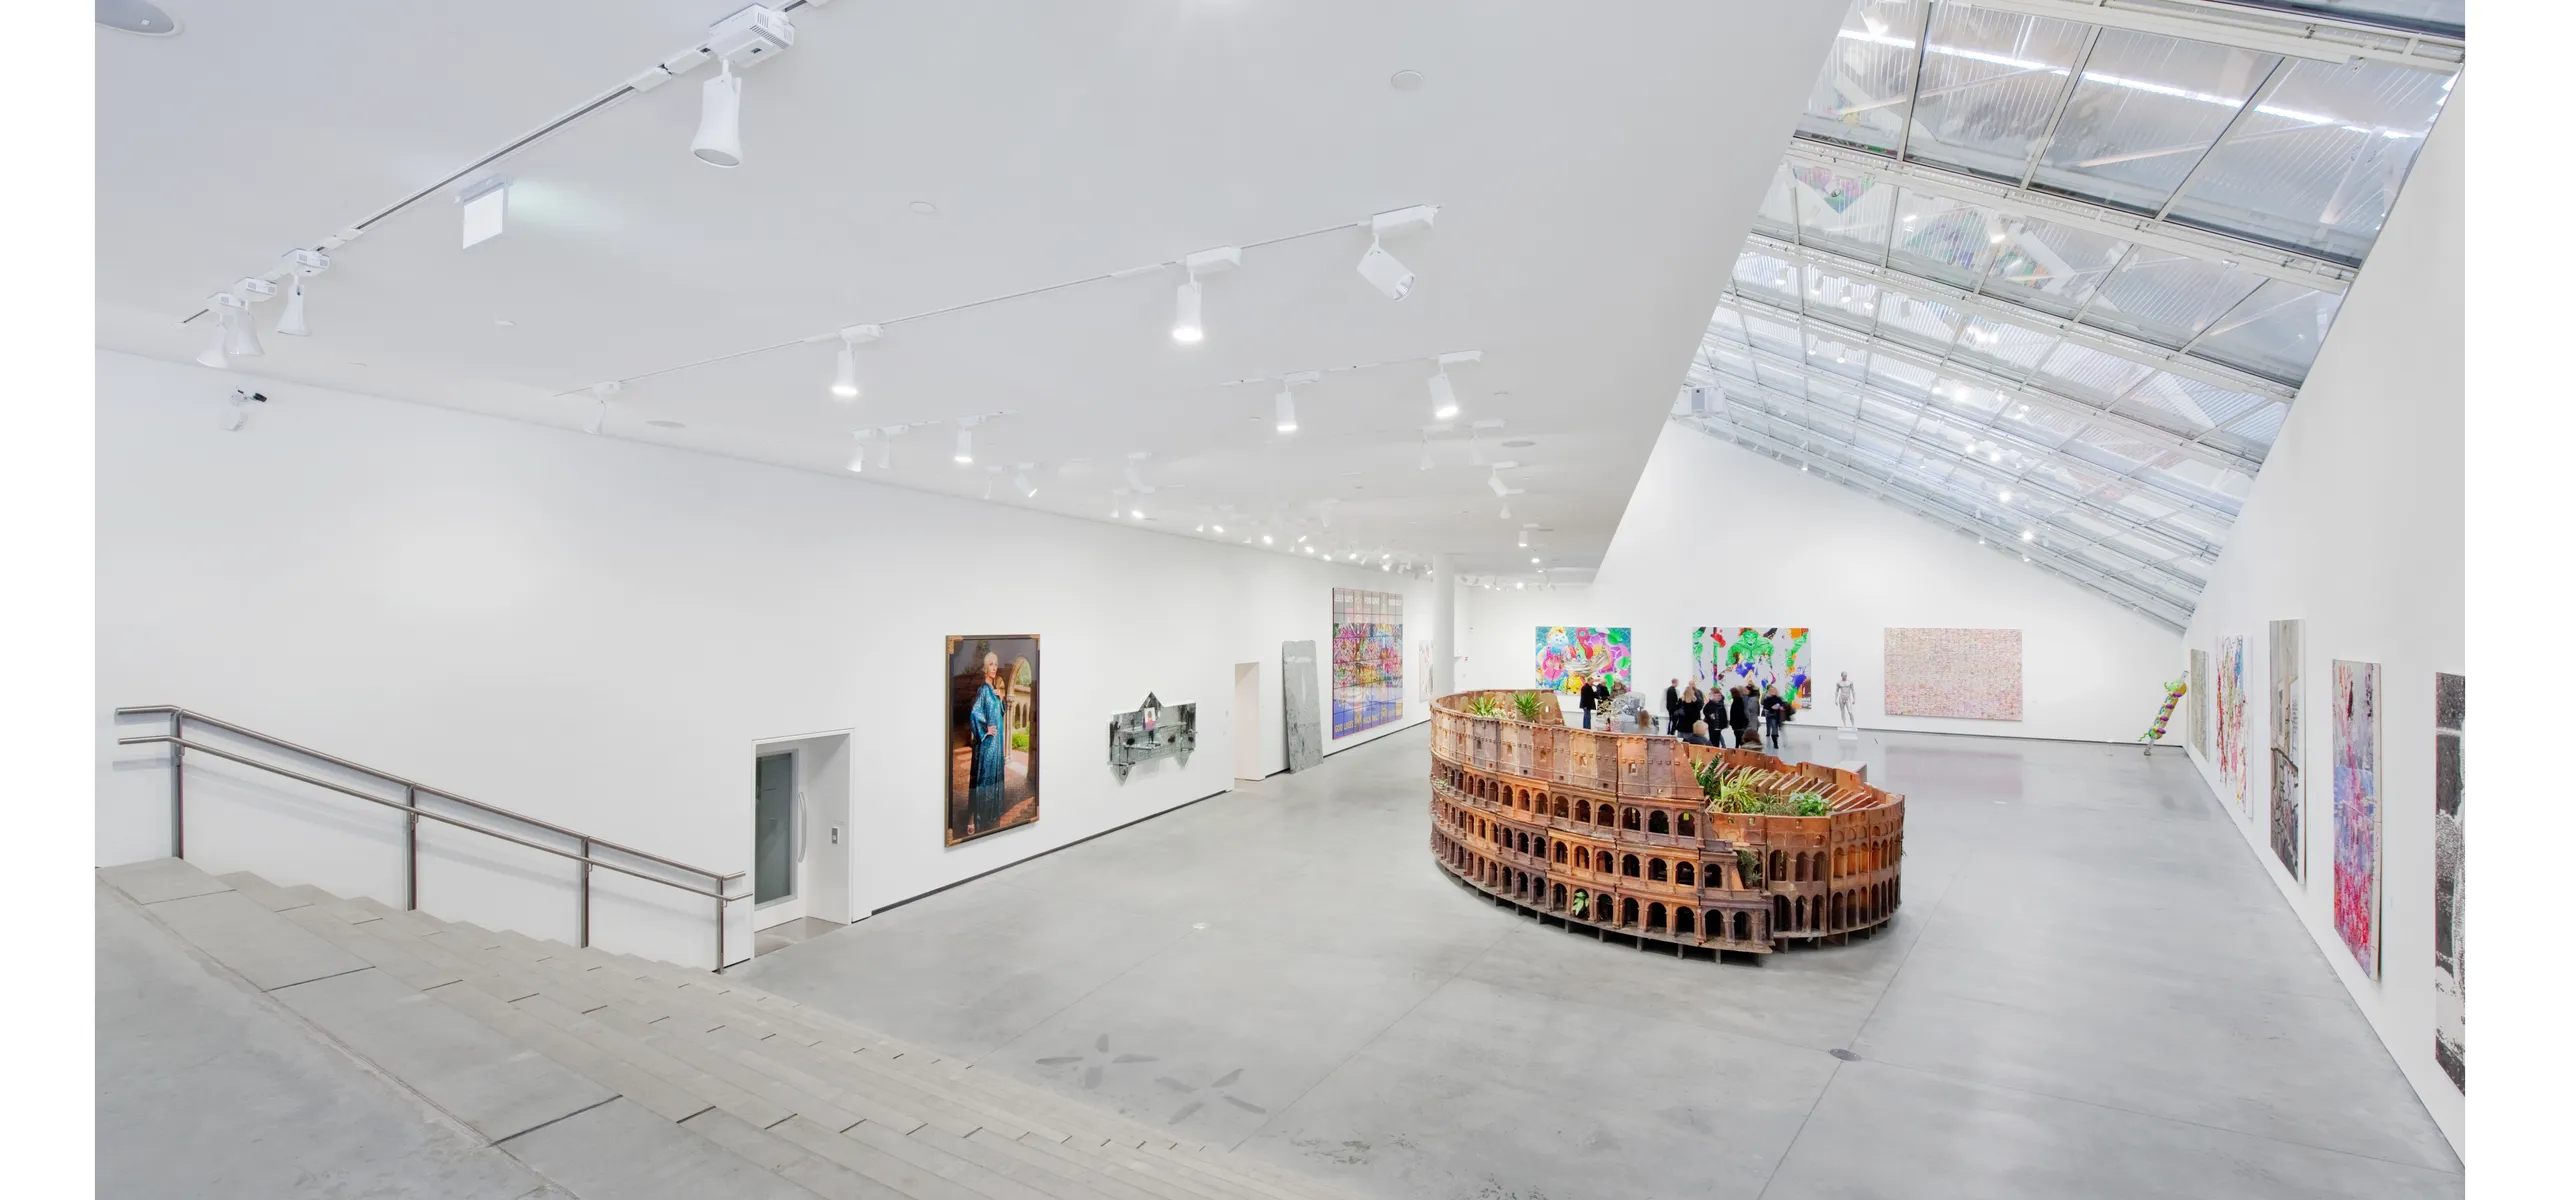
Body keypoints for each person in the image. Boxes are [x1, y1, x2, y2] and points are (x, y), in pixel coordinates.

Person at [966, 651, 1008, 835]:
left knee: (994, 776)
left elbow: (1001, 713)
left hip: (997, 744)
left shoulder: (994, 691)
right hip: (989, 744)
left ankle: (991, 812)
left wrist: (1001, 698)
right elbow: (974, 713)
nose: (994, 667)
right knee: (983, 779)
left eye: (996, 663)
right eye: (991, 664)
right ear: (985, 667)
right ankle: (976, 817)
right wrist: (985, 730)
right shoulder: (983, 690)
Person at [1763, 685, 1791, 750]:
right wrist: (1773, 707)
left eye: (1776, 691)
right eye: (1774, 691)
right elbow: (1767, 708)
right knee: (1774, 730)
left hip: (1779, 717)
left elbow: (1782, 705)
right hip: (1772, 716)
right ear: (1771, 692)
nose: (1776, 692)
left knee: (1781, 729)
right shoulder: (1767, 700)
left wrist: (1782, 707)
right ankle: (1775, 744)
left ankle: (1784, 743)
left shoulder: (1779, 699)